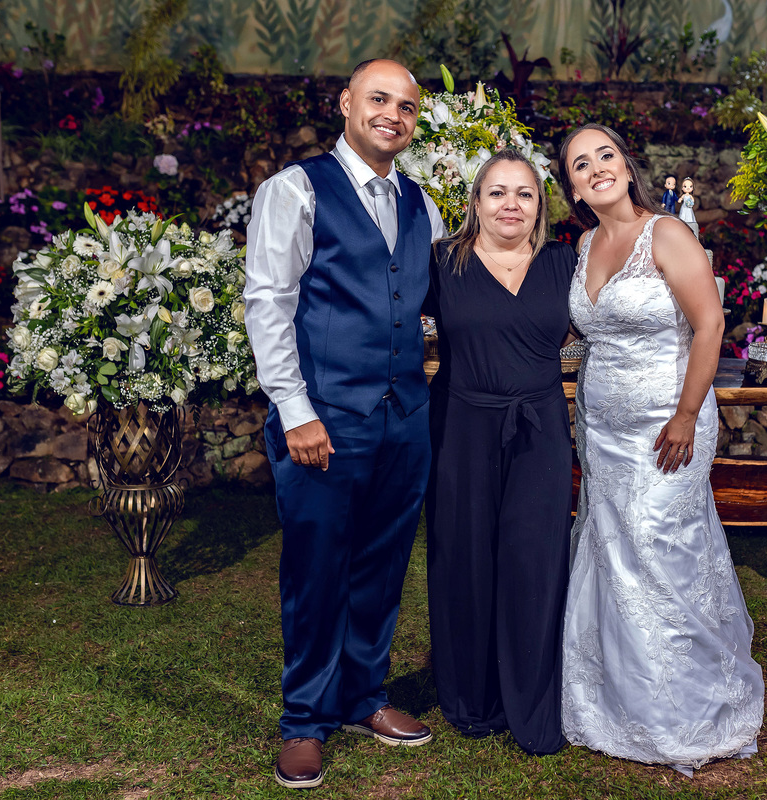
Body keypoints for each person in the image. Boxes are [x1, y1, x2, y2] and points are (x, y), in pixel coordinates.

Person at [244, 58, 446, 791]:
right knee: (316, 569)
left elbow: (434, 302)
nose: (393, 114)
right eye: (378, 99)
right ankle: (304, 719)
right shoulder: (295, 189)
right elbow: (268, 302)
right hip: (324, 419)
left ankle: (364, 696)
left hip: (405, 418)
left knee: (382, 566)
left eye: (407, 106)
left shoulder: (423, 203)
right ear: (346, 103)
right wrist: (295, 410)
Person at [556, 123, 764, 775]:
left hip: (668, 427)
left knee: (660, 548)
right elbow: (585, 335)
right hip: (600, 428)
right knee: (612, 552)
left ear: (626, 166)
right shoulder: (585, 244)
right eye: (581, 164)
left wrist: (686, 414)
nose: (597, 168)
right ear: (572, 188)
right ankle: (616, 704)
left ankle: (687, 708)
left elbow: (710, 324)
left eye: (606, 155)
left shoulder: (667, 233)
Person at [425, 149, 576, 756]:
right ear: (476, 202)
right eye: (497, 192)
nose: (510, 205)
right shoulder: (442, 263)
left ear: (540, 206)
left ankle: (532, 700)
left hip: (540, 428)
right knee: (463, 557)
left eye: (524, 194)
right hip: (461, 426)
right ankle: (471, 698)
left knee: (535, 561)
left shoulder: (566, 262)